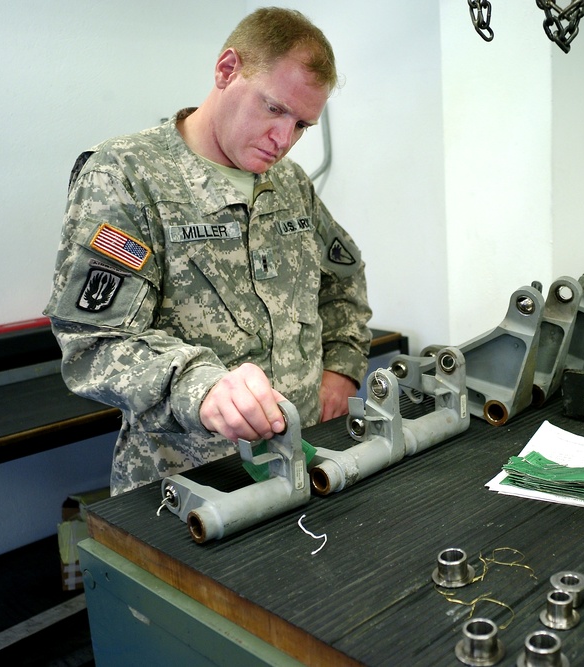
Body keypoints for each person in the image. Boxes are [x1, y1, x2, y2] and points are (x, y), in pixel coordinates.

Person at [44, 7, 372, 495]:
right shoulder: (127, 176)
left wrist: (341, 369)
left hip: (299, 467)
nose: (284, 140)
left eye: (302, 124)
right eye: (275, 108)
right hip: (187, 483)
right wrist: (203, 387)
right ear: (226, 71)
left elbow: (343, 277)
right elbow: (95, 342)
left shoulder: (289, 183)